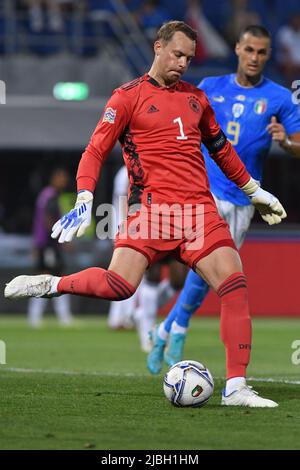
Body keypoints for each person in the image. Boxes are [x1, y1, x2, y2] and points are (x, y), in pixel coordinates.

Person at [5, 21, 287, 407]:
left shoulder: (196, 99)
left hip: (199, 213)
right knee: (119, 286)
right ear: (158, 47)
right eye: (177, 54)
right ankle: (50, 285)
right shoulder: (126, 97)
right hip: (151, 211)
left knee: (235, 286)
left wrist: (256, 192)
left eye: (189, 57)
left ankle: (236, 388)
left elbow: (221, 149)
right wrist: (85, 197)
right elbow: (95, 150)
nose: (183, 63)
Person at [148, 24, 300, 374]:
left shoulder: (278, 97)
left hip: (244, 200)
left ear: (268, 55)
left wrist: (286, 142)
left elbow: (297, 143)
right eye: (249, 50)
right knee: (208, 268)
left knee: (209, 275)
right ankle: (177, 331)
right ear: (237, 49)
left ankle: (164, 329)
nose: (255, 58)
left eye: (262, 52)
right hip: (204, 192)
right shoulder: (209, 87)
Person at [28, 167, 73, 327]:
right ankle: (36, 316)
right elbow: (48, 221)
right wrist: (62, 240)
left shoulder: (47, 195)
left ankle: (61, 315)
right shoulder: (50, 196)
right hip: (48, 244)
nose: (64, 181)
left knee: (57, 276)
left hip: (47, 243)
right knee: (47, 277)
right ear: (54, 178)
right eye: (61, 177)